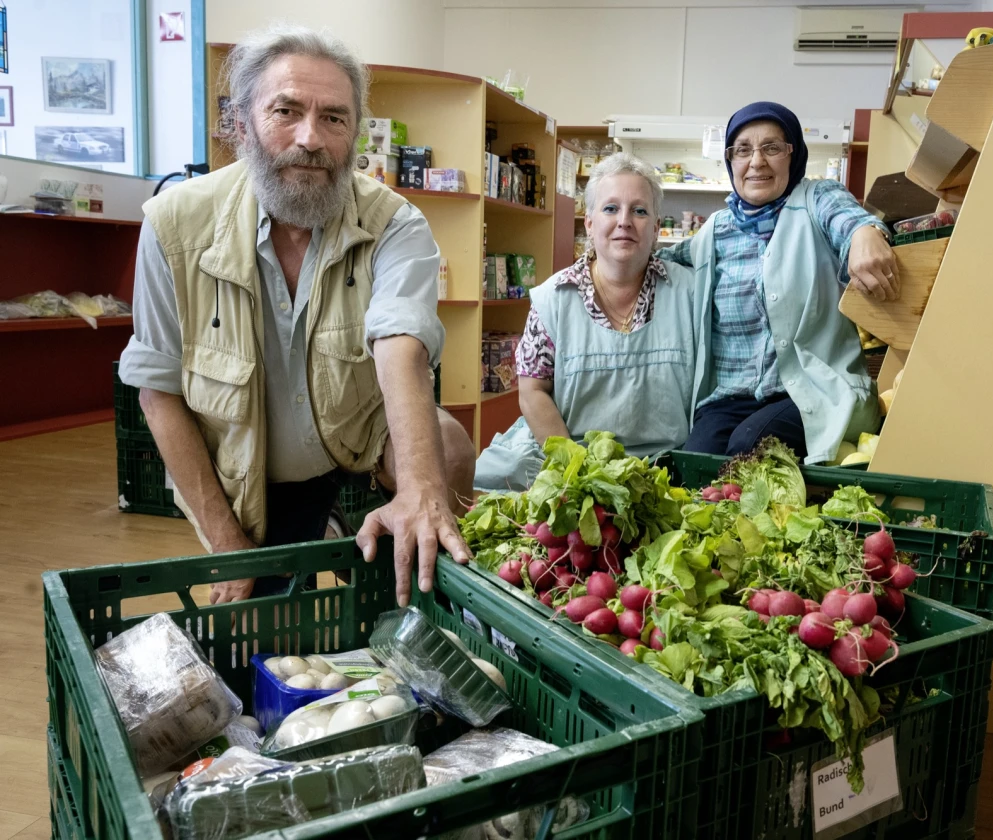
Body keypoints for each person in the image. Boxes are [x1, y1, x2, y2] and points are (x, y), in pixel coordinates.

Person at [117, 25, 475, 608]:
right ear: (242, 123)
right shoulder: (172, 226)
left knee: (450, 445)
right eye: (286, 110)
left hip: (355, 443)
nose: (310, 138)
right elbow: (157, 392)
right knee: (259, 621)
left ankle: (422, 595)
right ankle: (318, 526)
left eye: (334, 118)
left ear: (355, 134)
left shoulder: (394, 222)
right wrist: (227, 543)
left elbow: (401, 345)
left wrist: (422, 492)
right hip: (246, 470)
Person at [660, 101, 900, 465]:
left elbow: (848, 220)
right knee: (695, 462)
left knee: (749, 447)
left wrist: (865, 234)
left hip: (812, 392)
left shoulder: (816, 200)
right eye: (743, 150)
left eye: (772, 148)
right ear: (731, 161)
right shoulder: (715, 230)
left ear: (793, 155)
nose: (756, 161)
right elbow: (663, 262)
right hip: (729, 398)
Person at [473, 153, 697, 491]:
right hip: (572, 461)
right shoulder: (554, 299)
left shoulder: (690, 293)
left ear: (654, 228)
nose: (624, 221)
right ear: (589, 222)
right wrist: (577, 473)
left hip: (668, 468)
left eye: (639, 210)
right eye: (610, 208)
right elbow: (533, 392)